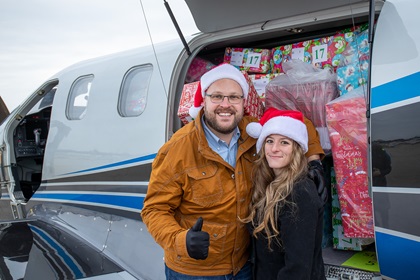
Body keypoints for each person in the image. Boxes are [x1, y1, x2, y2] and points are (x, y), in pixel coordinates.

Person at [141, 63, 325, 279]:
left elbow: (299, 124)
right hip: (196, 273)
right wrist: (181, 240)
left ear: (243, 102)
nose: (225, 105)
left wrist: (314, 163)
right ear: (204, 101)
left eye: (234, 97)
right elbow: (154, 210)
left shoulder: (253, 133)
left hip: (243, 266)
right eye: (217, 96)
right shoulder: (178, 149)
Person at [243, 107, 326, 279]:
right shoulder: (268, 185)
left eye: (284, 142)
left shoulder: (299, 193)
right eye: (270, 141)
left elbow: (297, 268)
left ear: (296, 149)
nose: (274, 149)